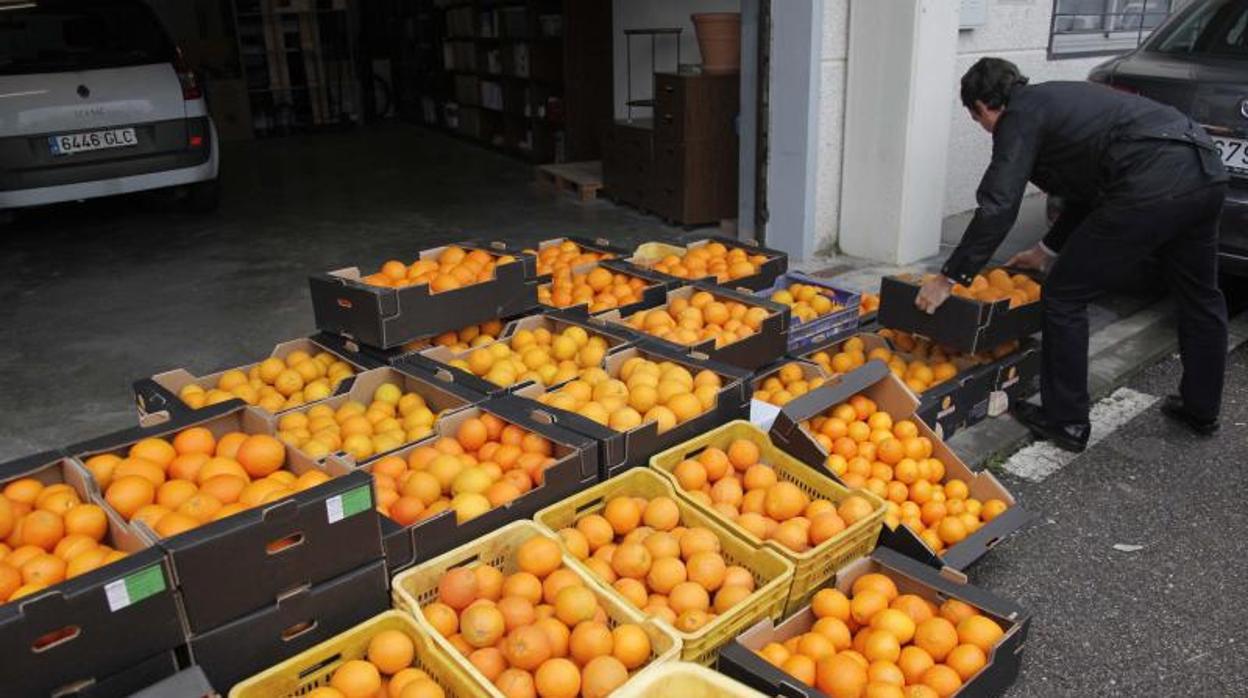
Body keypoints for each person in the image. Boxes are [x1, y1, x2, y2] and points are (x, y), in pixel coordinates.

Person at [915, 57, 1229, 452]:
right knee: (1200, 296)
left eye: (979, 120)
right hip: (1205, 170)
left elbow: (999, 204)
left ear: (982, 107)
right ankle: (1202, 408)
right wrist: (1046, 249)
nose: (985, 129)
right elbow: (1086, 191)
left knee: (1064, 295)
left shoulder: (1020, 116)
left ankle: (1066, 421)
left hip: (1150, 181)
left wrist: (950, 277)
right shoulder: (1060, 101)